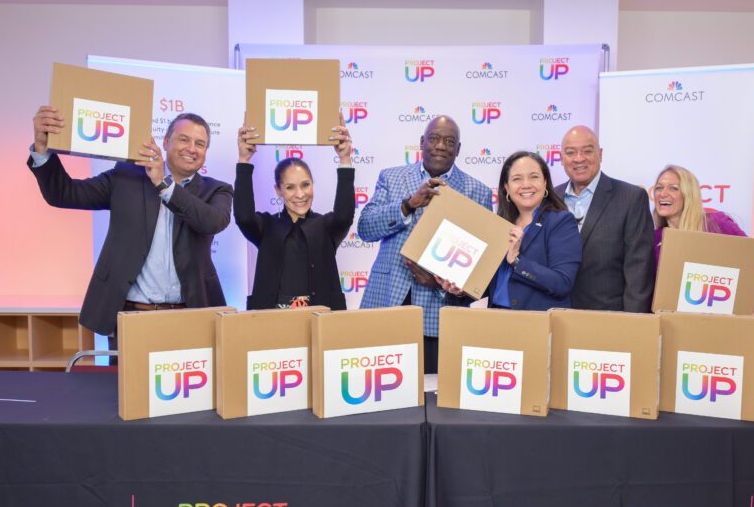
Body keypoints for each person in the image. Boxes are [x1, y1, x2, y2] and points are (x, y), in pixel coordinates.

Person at [28, 107, 232, 340]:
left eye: (200, 143)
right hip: (129, 317)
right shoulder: (126, 177)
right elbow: (63, 194)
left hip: (190, 318)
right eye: (184, 139)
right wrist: (42, 150)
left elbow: (213, 222)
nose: (191, 149)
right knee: (122, 378)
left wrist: (163, 185)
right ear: (165, 142)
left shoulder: (217, 189)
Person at [357, 115, 491, 373]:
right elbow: (365, 229)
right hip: (386, 302)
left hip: (439, 312)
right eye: (434, 138)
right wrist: (408, 205)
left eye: (449, 141)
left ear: (458, 149)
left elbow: (479, 273)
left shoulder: (478, 192)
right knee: (381, 390)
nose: (441, 146)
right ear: (422, 142)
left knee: (432, 395)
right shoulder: (392, 178)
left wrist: (442, 284)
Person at [234, 113, 354, 310]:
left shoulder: (326, 226)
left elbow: (344, 215)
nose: (300, 194)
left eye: (305, 185)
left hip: (321, 325)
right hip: (272, 326)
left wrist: (345, 159)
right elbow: (243, 216)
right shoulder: (267, 226)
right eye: (290, 187)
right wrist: (244, 160)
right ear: (278, 191)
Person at [439, 151, 581, 310]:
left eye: (534, 177)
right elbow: (489, 285)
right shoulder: (499, 225)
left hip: (537, 324)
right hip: (496, 320)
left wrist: (517, 261)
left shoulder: (560, 222)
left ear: (545, 183)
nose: (526, 184)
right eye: (517, 179)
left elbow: (562, 283)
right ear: (506, 187)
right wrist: (461, 291)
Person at [553, 125, 655, 313]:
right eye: (570, 152)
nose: (579, 158)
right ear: (561, 158)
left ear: (600, 154)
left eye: (587, 151)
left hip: (609, 321)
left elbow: (639, 272)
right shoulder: (550, 198)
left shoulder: (631, 198)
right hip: (555, 317)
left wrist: (634, 326)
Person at [652, 164, 754, 315]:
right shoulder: (654, 238)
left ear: (689, 194)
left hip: (717, 323)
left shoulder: (716, 223)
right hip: (671, 325)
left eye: (673, 188)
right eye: (659, 188)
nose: (663, 193)